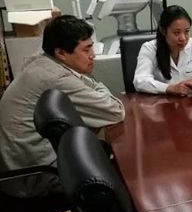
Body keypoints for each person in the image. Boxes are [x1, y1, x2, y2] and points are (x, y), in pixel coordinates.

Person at [0, 15, 125, 198]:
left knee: (104, 147)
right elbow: (115, 111)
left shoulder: (40, 60)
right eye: (86, 49)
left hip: (20, 165)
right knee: (122, 174)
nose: (93, 55)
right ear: (61, 53)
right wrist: (97, 85)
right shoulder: (56, 78)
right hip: (36, 176)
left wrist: (91, 84)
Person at [133, 5, 192, 96]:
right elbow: (140, 81)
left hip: (191, 102)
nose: (183, 38)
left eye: (187, 31)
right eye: (177, 33)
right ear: (163, 31)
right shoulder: (149, 49)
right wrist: (169, 88)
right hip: (162, 102)